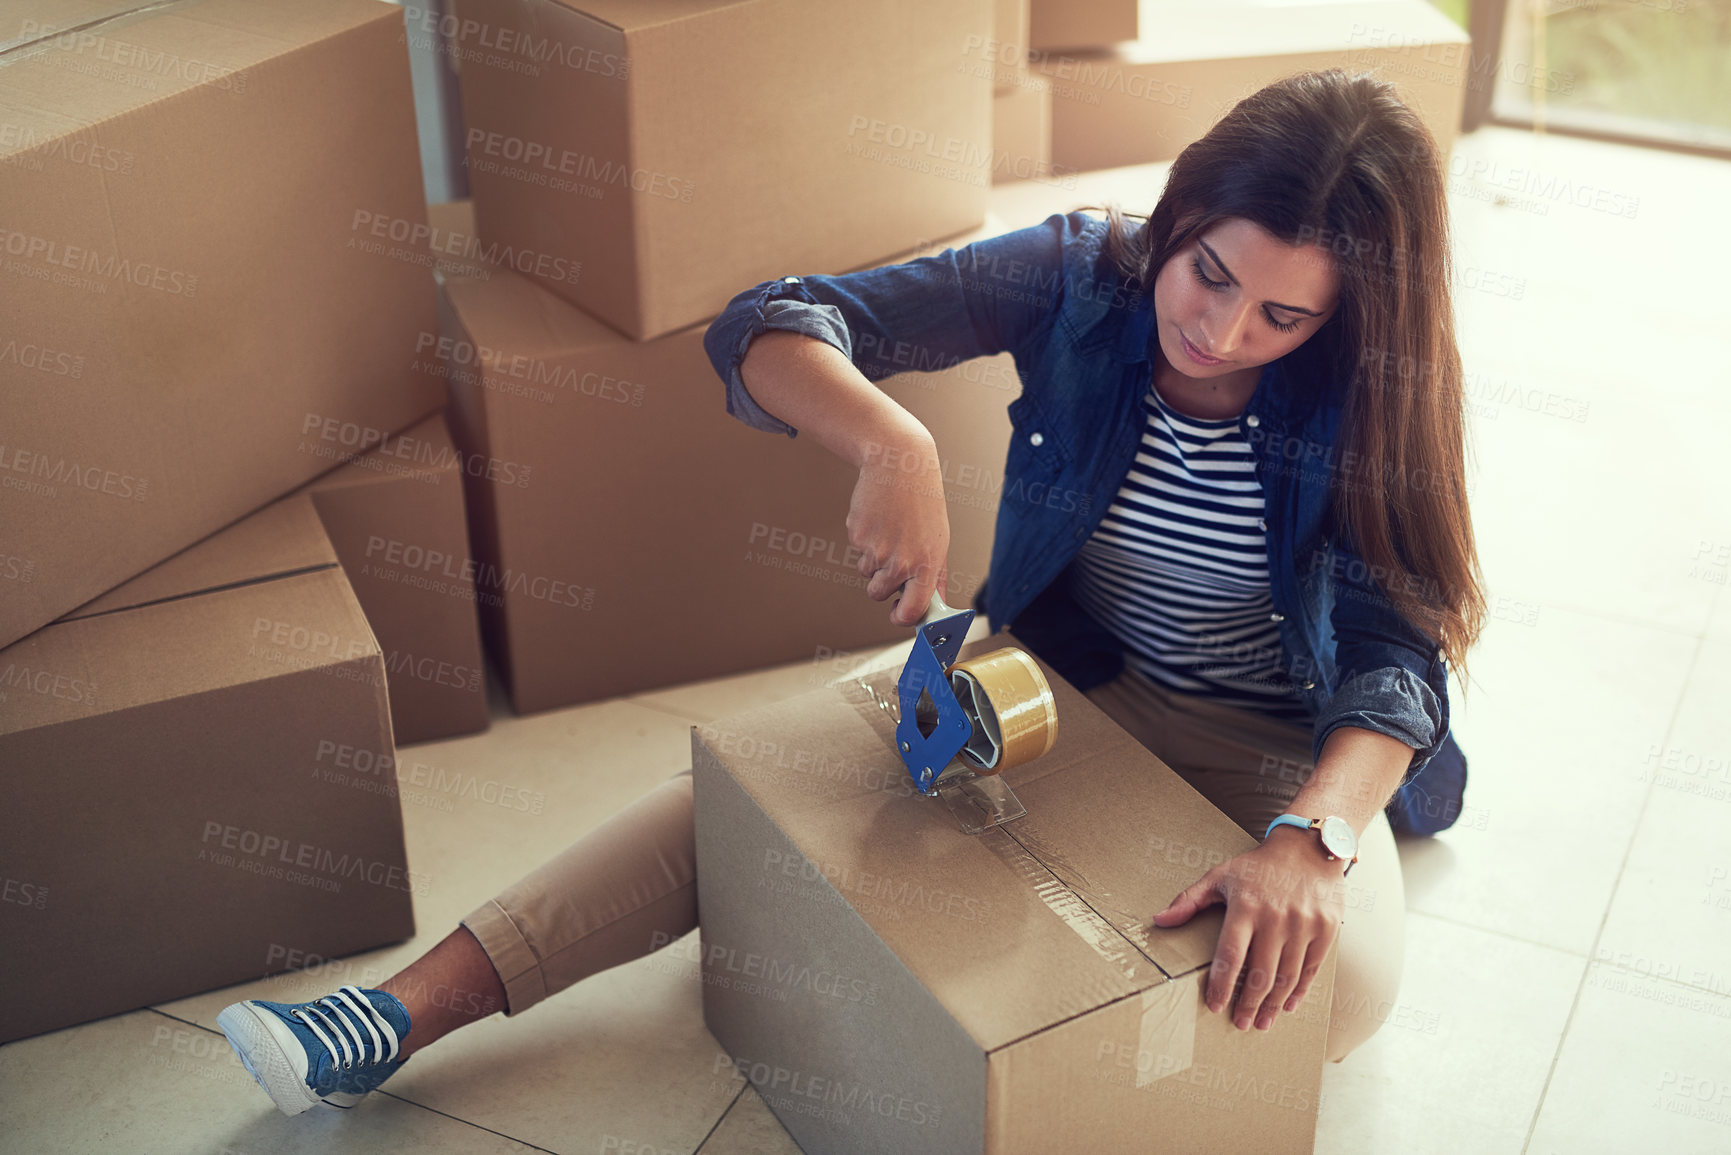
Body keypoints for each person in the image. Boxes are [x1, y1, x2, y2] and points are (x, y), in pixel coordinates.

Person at [217, 67, 1484, 1117]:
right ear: (1179, 213)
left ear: (1339, 321)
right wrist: (894, 444)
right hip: (1071, 676)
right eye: (1207, 273)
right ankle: (386, 1015)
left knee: (1336, 987)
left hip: (1278, 741)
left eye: (1279, 317)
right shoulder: (1081, 275)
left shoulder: (1373, 391)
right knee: (758, 784)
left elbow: (1393, 650)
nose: (1219, 332)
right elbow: (775, 320)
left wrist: (1314, 839)